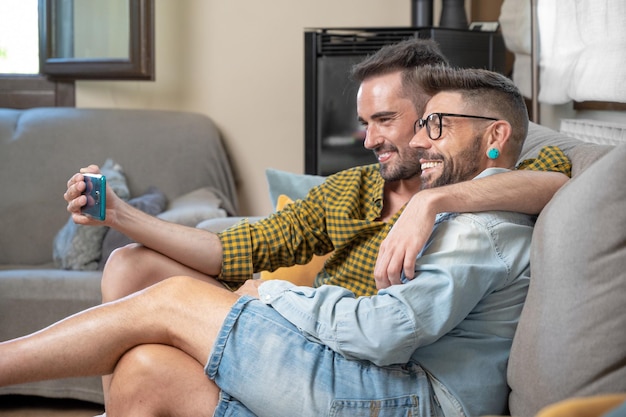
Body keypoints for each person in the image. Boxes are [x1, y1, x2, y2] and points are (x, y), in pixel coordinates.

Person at [2, 65, 542, 416]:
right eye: (367, 122)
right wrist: (118, 214)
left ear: (491, 135)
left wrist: (433, 201)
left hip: (392, 379)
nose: (377, 138)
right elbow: (239, 247)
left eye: (427, 124)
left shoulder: (483, 211)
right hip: (340, 350)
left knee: (172, 304)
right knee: (142, 355)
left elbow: (384, 332)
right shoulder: (356, 190)